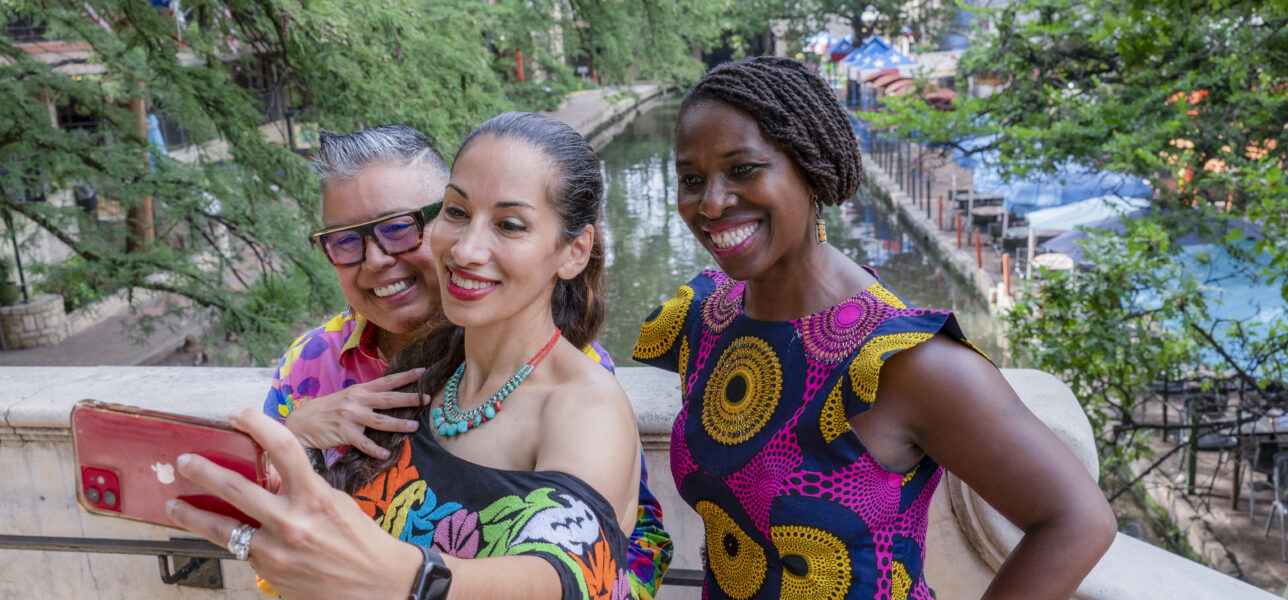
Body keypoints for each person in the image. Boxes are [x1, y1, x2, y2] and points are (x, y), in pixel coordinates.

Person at [633, 56, 1116, 599]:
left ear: (810, 170)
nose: (711, 203)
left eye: (743, 169)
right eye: (691, 179)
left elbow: (1078, 521)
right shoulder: (705, 318)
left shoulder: (904, 361)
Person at [168, 114, 653, 600]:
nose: (465, 249)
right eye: (458, 213)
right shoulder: (433, 371)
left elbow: (574, 567)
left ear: (573, 251)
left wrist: (408, 578)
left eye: (509, 224)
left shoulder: (584, 399)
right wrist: (298, 441)